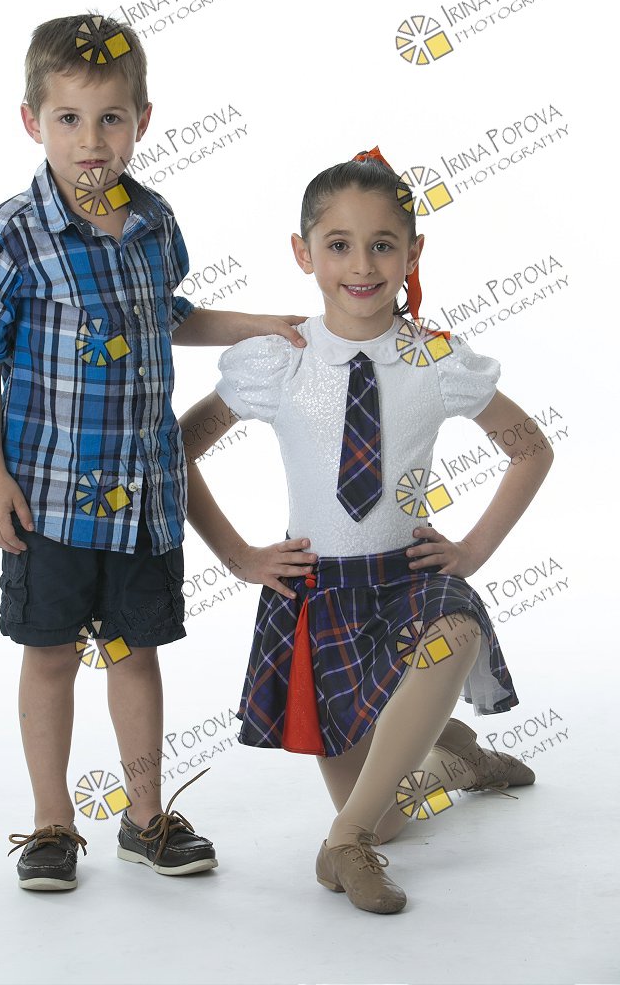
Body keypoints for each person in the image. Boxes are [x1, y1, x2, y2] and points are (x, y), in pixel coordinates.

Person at [0, 12, 306, 891]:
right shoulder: (9, 236)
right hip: (49, 498)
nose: (91, 141)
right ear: (32, 121)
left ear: (142, 119)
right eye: (69, 119)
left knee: (135, 653)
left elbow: (168, 317)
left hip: (143, 500)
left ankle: (145, 817)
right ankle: (51, 824)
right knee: (51, 655)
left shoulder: (153, 221)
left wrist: (262, 324)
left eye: (111, 119)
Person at [180, 148, 553, 914]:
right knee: (391, 818)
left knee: (455, 630)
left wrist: (473, 550)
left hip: (408, 579)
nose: (361, 265)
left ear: (412, 252)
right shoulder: (277, 361)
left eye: (383, 245)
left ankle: (343, 844)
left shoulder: (434, 358)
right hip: (322, 596)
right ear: (304, 253)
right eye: (339, 245)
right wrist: (238, 555)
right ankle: (458, 758)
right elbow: (177, 452)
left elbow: (529, 448)